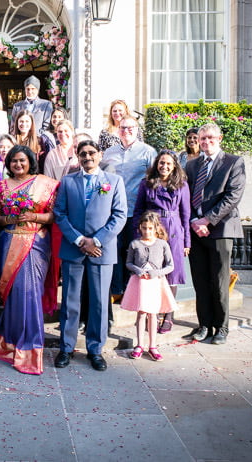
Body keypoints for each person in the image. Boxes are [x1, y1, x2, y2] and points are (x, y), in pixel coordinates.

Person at [53, 140, 127, 372]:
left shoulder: (114, 181)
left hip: (101, 251)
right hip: (73, 248)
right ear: (78, 156)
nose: (87, 157)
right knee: (70, 301)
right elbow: (59, 213)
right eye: (83, 154)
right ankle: (66, 347)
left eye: (91, 153)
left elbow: (120, 215)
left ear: (100, 154)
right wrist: (79, 240)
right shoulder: (67, 182)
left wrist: (95, 241)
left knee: (99, 302)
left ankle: (95, 349)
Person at [0, 146, 59, 375]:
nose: (18, 165)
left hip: (36, 244)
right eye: (14, 161)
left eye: (22, 161)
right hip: (8, 243)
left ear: (30, 161)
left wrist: (33, 216)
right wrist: (11, 217)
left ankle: (30, 350)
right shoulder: (2, 185)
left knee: (30, 294)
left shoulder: (45, 183)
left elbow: (53, 215)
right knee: (15, 294)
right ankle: (9, 343)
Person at [184, 123, 246, 345]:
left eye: (210, 138)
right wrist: (193, 221)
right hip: (195, 231)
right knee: (200, 281)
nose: (206, 142)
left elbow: (233, 196)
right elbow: (185, 196)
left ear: (219, 138)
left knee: (219, 281)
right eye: (202, 139)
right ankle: (203, 326)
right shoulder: (191, 166)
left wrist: (207, 220)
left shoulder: (233, 162)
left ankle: (221, 327)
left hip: (221, 229)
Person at [132, 150, 191, 333]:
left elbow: (186, 214)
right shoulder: (147, 184)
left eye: (168, 164)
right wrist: (138, 236)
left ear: (174, 166)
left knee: (171, 274)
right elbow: (138, 210)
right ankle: (153, 313)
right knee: (152, 272)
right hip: (152, 230)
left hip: (174, 231)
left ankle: (168, 315)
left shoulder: (181, 185)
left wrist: (186, 242)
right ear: (156, 164)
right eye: (161, 163)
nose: (164, 166)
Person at [100, 116, 157, 298]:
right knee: (114, 250)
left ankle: (132, 291)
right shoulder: (109, 153)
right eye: (123, 128)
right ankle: (116, 290)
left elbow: (154, 181)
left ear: (137, 129)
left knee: (134, 250)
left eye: (131, 127)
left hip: (136, 210)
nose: (127, 131)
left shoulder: (148, 152)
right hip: (113, 211)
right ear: (118, 130)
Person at [121, 211, 178, 361]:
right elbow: (128, 263)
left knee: (153, 313)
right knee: (141, 313)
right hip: (139, 282)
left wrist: (157, 272)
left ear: (156, 228)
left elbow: (171, 266)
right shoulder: (135, 244)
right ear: (140, 227)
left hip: (155, 282)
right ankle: (139, 345)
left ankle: (153, 345)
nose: (147, 231)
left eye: (150, 228)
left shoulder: (162, 244)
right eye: (144, 228)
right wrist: (137, 270)